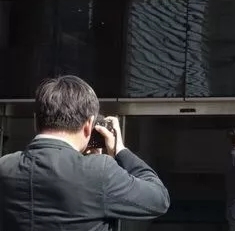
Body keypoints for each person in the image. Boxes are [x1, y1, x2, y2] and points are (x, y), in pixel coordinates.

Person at [0, 75, 170, 231]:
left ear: (35, 120)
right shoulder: (100, 171)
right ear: (89, 125)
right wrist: (120, 150)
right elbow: (159, 199)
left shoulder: (5, 166)